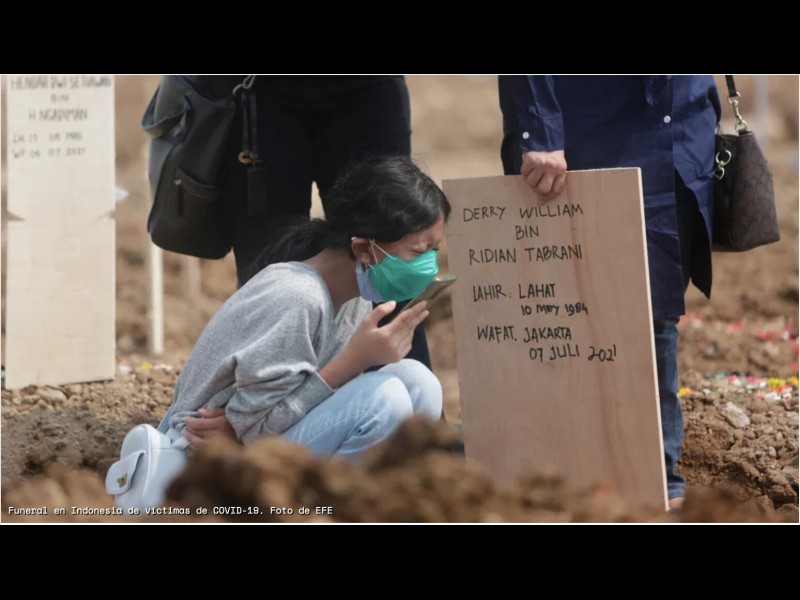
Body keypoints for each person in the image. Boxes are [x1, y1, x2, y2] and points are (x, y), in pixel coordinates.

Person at [498, 76, 721, 510]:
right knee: (570, 308)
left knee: (656, 307)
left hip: (680, 116)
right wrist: (541, 128)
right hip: (587, 123)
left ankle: (656, 477)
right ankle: (563, 467)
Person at [158, 156, 450, 461]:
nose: (429, 265)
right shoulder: (298, 297)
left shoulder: (356, 299)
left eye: (434, 250)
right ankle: (338, 493)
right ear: (364, 248)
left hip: (254, 436)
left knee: (419, 381)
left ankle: (399, 485)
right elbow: (253, 429)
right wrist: (354, 360)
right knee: (383, 400)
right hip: (200, 453)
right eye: (418, 252)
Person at [196, 75, 433, 370]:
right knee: (267, 268)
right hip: (258, 89)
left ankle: (407, 394)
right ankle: (259, 392)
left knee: (392, 258)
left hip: (367, 89)